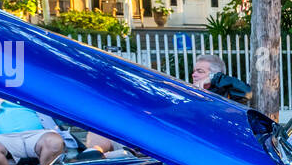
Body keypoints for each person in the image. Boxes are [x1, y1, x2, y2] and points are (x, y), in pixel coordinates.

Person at [82, 54, 238, 156]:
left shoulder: (218, 99)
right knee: (101, 130)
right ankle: (91, 154)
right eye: (194, 71)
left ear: (215, 74)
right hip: (148, 132)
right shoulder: (188, 94)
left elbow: (246, 92)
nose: (194, 74)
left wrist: (215, 79)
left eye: (200, 71)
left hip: (162, 143)